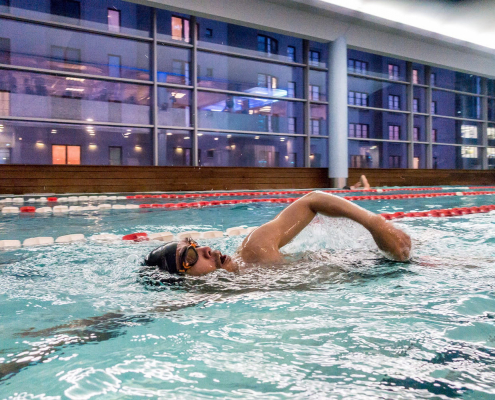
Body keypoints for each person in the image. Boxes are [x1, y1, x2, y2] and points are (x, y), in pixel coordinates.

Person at [143, 191, 411, 277]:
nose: (206, 249)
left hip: (376, 265)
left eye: (195, 244)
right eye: (190, 255)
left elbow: (312, 200)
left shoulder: (255, 249)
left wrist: (375, 224)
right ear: (184, 281)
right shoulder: (201, 299)